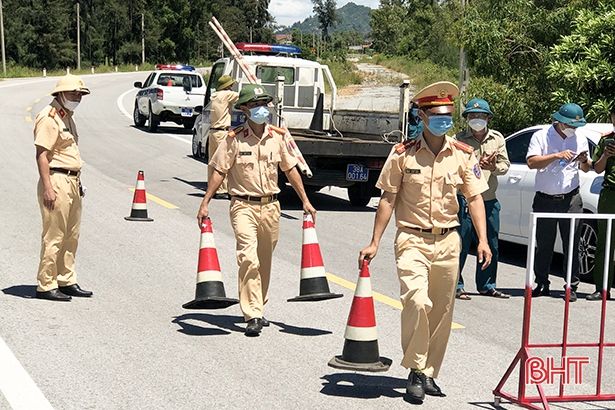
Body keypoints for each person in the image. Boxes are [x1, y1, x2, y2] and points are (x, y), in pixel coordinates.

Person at [358, 81, 491, 403]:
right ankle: (416, 369)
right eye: (437, 114)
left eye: (448, 114)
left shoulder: (462, 154)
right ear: (422, 115)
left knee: (442, 311)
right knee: (417, 301)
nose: (444, 120)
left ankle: (430, 371)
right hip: (411, 239)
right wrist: (375, 241)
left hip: (448, 241)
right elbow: (388, 198)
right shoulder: (402, 154)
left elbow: (474, 198)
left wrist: (483, 240)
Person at [196, 84, 316, 337]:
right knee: (248, 257)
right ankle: (253, 313)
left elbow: (290, 170)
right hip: (242, 205)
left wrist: (305, 199)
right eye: (255, 105)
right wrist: (206, 200)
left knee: (264, 260)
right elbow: (219, 171)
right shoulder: (233, 139)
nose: (262, 108)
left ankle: (258, 305)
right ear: (245, 110)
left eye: (264, 103)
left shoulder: (278, 137)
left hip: (271, 206)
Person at [34, 74, 93, 301]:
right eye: (73, 93)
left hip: (72, 180)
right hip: (56, 180)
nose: (77, 97)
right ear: (60, 94)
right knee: (54, 235)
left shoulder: (66, 116)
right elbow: (42, 155)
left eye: (80, 94)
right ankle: (46, 284)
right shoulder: (49, 118)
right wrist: (48, 188)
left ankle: (66, 279)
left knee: (71, 235)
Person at [526, 103, 591, 302]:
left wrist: (583, 160)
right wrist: (556, 156)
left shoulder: (580, 138)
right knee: (544, 243)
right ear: (560, 122)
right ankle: (542, 282)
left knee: (572, 243)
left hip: (571, 198)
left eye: (577, 126)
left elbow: (587, 168)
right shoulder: (541, 136)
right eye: (571, 125)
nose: (574, 129)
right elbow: (531, 162)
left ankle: (571, 285)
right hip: (545, 198)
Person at [455, 98, 511, 300]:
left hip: (489, 198)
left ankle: (487, 284)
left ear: (488, 118)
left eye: (480, 116)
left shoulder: (497, 138)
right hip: (466, 199)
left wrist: (493, 167)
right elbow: (454, 168)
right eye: (472, 116)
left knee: (491, 243)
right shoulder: (458, 139)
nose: (476, 119)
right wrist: (476, 164)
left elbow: (505, 165)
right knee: (461, 242)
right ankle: (456, 285)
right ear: (467, 119)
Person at [587, 107, 615, 301]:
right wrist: (606, 155)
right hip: (610, 196)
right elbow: (596, 169)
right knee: (605, 243)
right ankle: (602, 288)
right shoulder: (606, 140)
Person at [208, 75, 239, 200]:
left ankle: (212, 188)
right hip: (222, 132)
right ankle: (222, 189)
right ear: (228, 86)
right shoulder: (227, 94)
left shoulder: (214, 95)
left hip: (213, 132)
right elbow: (242, 96)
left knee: (212, 162)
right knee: (222, 161)